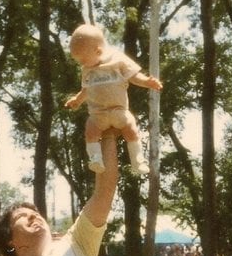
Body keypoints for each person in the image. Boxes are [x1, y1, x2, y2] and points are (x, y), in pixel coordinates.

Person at [66, 21, 163, 177]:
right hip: (98, 114)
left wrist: (147, 82)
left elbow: (133, 76)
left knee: (131, 129)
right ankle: (95, 159)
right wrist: (77, 99)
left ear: (98, 51)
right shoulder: (87, 70)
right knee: (90, 131)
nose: (81, 64)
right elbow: (86, 89)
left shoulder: (118, 59)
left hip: (119, 111)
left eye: (83, 60)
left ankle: (138, 160)